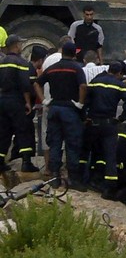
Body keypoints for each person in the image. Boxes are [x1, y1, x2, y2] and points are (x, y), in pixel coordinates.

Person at [34, 42, 86, 189]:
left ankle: (55, 178)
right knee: (72, 144)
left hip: (54, 108)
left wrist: (45, 100)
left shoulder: (51, 68)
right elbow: (83, 86)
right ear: (74, 54)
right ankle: (73, 179)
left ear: (62, 52)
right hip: (70, 110)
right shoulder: (76, 68)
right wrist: (80, 103)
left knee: (55, 143)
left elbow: (37, 84)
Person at [84, 62, 126, 192]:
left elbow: (86, 98)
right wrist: (121, 118)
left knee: (90, 151)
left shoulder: (95, 81)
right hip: (109, 124)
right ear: (119, 73)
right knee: (110, 155)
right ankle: (109, 188)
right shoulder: (119, 85)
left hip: (93, 123)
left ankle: (88, 180)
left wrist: (86, 116)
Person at [0, 35, 37, 173]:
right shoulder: (21, 62)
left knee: (3, 131)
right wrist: (27, 103)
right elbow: (25, 85)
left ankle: (0, 162)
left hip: (3, 99)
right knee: (23, 129)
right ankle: (26, 162)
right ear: (16, 46)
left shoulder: (2, 61)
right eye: (20, 44)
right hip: (16, 100)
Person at [39, 36, 73, 175]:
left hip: (48, 102)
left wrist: (43, 100)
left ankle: (48, 167)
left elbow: (39, 80)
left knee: (46, 134)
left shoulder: (48, 59)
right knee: (64, 135)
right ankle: (61, 167)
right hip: (64, 103)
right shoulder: (68, 61)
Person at [11, 45, 47, 173]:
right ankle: (25, 161)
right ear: (40, 60)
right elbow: (30, 89)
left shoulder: (25, 67)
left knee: (19, 134)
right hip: (26, 108)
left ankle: (16, 156)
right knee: (26, 134)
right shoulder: (31, 70)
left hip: (18, 106)